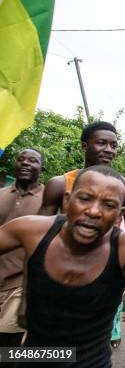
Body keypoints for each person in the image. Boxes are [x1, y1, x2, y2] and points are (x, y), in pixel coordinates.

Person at [0, 166, 125, 367]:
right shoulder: (32, 231)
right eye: (84, 199)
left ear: (119, 214)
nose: (93, 211)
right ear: (67, 199)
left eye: (108, 205)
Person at [38, 121, 125, 348]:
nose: (109, 150)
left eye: (113, 145)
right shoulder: (59, 184)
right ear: (85, 146)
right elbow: (37, 239)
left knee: (91, 348)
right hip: (58, 276)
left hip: (104, 279)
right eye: (101, 143)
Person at [0, 149, 44, 348]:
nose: (26, 163)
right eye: (21, 159)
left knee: (9, 343)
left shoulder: (48, 201)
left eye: (32, 161)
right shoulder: (1, 195)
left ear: (41, 169)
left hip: (20, 283)